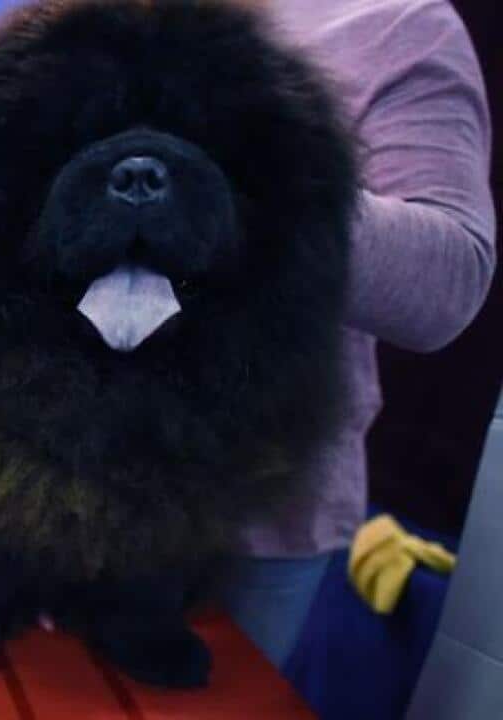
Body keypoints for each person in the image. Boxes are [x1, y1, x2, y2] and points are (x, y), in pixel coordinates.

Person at [220, 0, 496, 669]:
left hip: (246, 525)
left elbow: (449, 284)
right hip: (41, 490)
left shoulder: (397, 23)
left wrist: (243, 192)